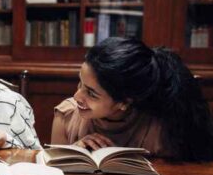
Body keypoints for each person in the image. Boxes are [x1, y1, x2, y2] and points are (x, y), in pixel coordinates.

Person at [51, 37, 213, 161]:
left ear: (124, 103)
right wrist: (72, 153)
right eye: (80, 83)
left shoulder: (161, 129)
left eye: (92, 93)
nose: (77, 96)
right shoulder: (66, 116)